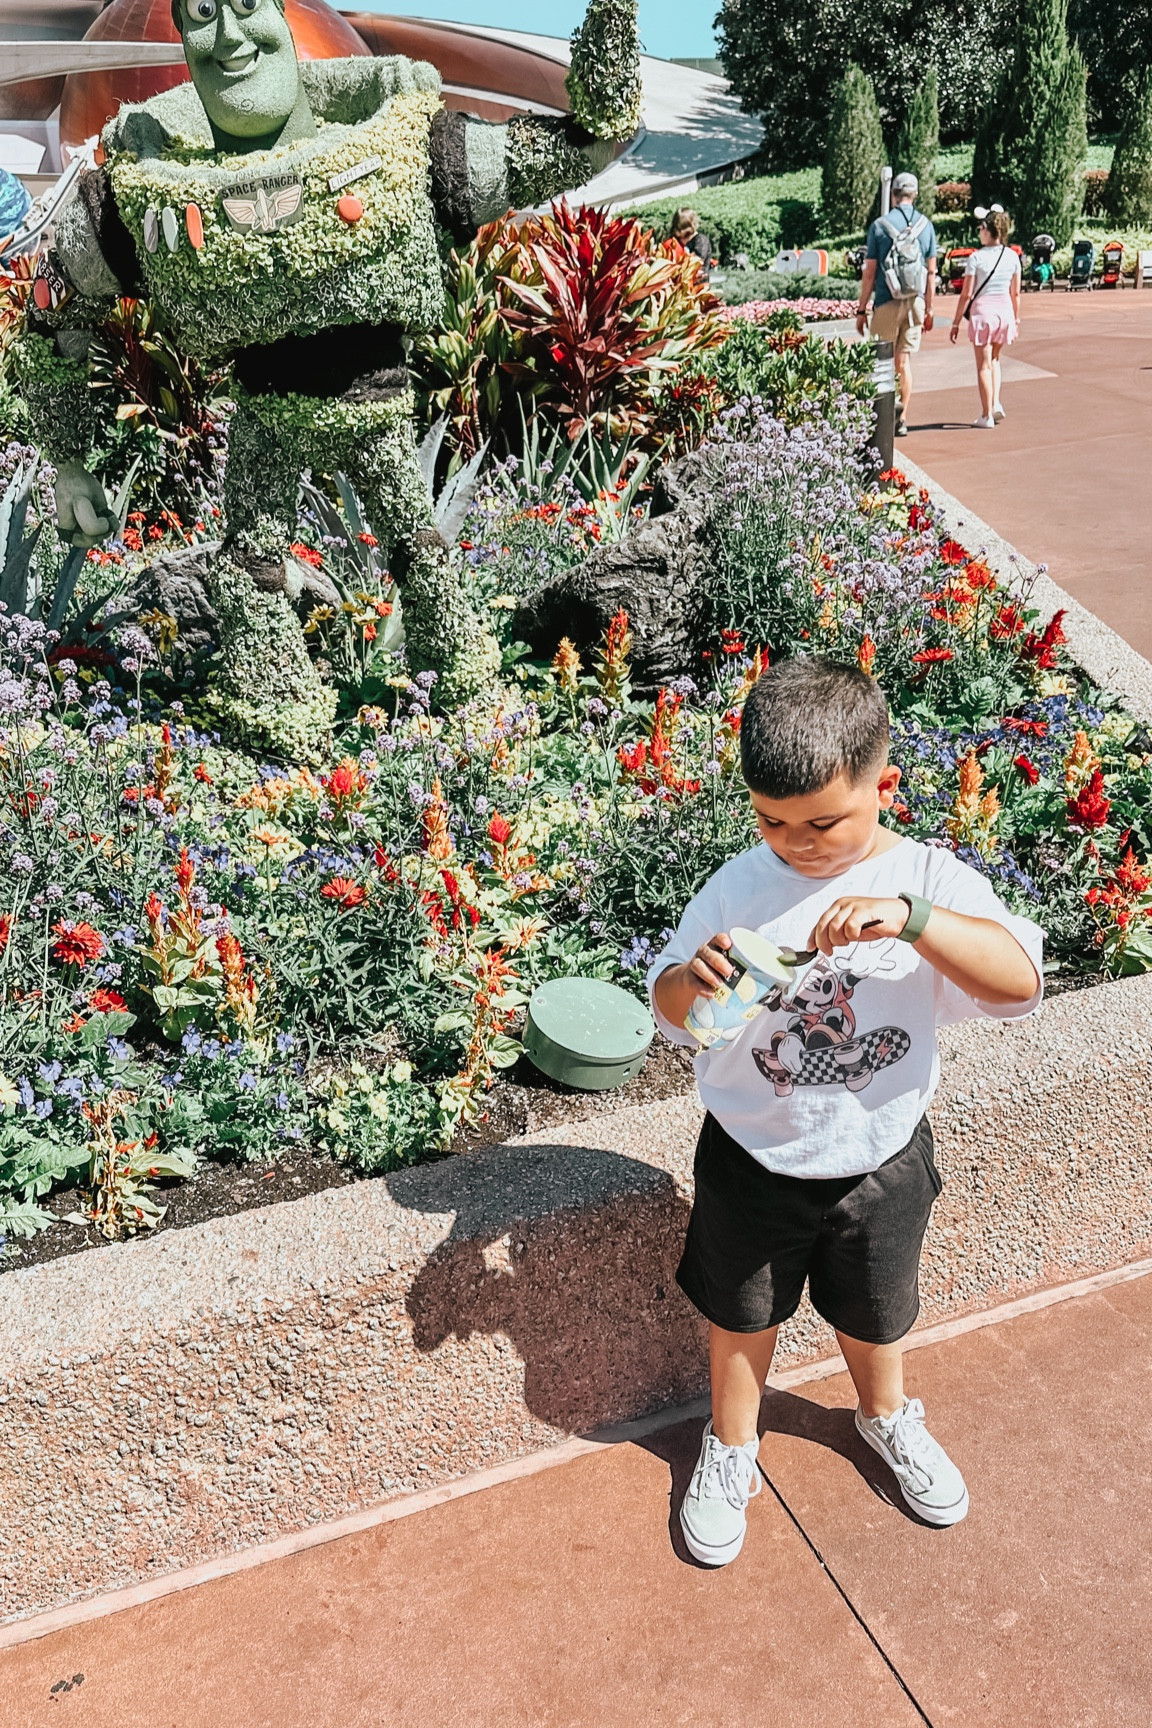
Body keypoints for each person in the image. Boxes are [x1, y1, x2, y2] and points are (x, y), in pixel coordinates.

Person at [648, 656, 1043, 1566]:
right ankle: (732, 1445)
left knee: (876, 1311)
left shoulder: (928, 880)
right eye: (772, 821)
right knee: (743, 1313)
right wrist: (688, 983)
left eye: (825, 821)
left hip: (880, 1156)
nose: (799, 844)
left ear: (884, 784)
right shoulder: (738, 886)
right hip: (753, 1154)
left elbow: (1019, 983)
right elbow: (669, 1013)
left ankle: (885, 1417)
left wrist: (911, 920)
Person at [854, 171, 938, 437]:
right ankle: (903, 419)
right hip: (915, 303)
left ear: (893, 195)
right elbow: (932, 272)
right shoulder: (927, 226)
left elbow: (869, 272)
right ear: (914, 195)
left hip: (886, 300)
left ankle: (881, 419)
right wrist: (930, 308)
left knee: (880, 360)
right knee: (904, 361)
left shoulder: (880, 226)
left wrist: (861, 309)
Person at [950, 207, 1022, 429]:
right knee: (995, 360)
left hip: (983, 314)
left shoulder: (976, 258)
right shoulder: (1012, 256)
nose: (979, 231)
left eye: (981, 228)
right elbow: (1016, 293)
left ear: (989, 231)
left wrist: (955, 321)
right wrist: (1016, 318)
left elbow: (967, 294)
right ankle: (995, 402)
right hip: (1005, 313)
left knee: (982, 365)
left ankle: (986, 414)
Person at [672, 207, 713, 277]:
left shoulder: (700, 241)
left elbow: (697, 261)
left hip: (699, 282)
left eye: (681, 231)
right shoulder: (677, 238)